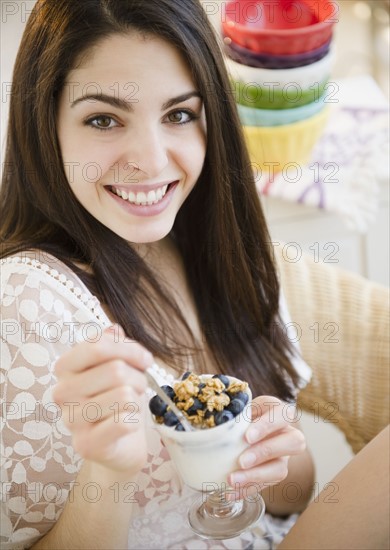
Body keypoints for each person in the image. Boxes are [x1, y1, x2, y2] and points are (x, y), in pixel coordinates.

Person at [0, 1, 388, 549]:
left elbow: (291, 501)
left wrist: (280, 448)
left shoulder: (224, 253)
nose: (151, 160)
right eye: (104, 119)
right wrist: (108, 470)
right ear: (47, 126)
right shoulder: (26, 301)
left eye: (179, 114)